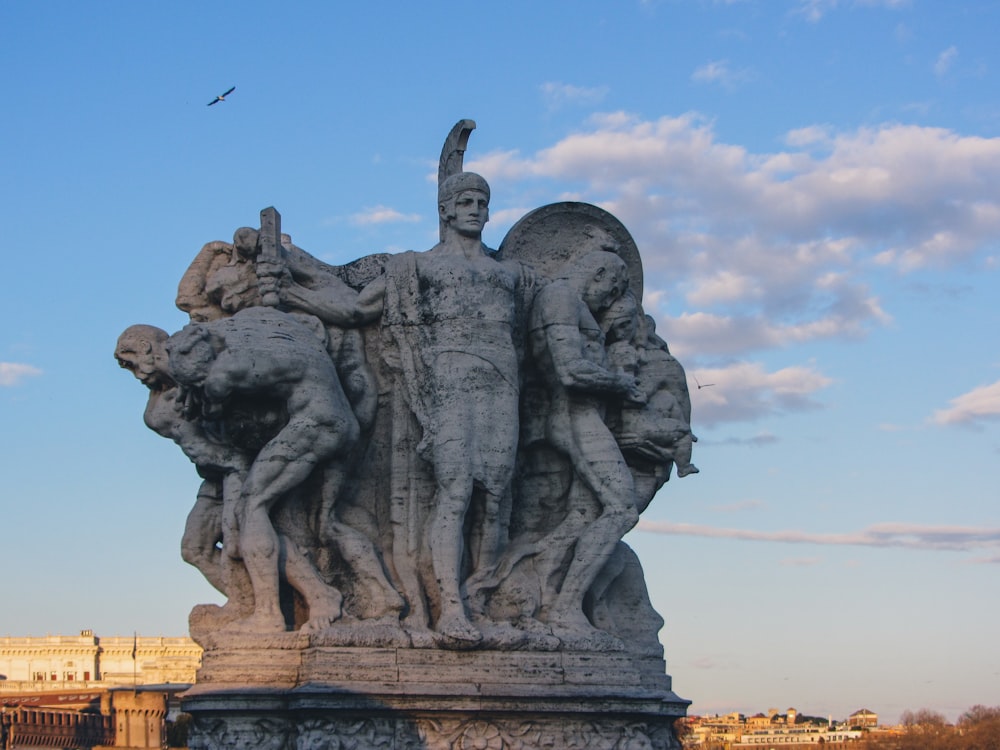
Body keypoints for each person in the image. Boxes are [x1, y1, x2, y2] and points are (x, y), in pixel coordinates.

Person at [273, 171, 534, 643]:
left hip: (502, 387)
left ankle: (482, 599)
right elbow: (355, 309)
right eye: (466, 201)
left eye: (482, 201)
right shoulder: (416, 267)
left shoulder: (511, 274)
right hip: (446, 387)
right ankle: (450, 607)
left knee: (495, 500)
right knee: (455, 494)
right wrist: (291, 292)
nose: (474, 208)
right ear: (446, 211)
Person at [165, 307, 360, 632]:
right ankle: (315, 596)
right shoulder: (251, 321)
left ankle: (271, 614)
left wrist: (196, 390)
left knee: (250, 507)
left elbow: (210, 404)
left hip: (318, 422)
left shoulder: (225, 370)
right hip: (334, 415)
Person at [527, 250, 643, 641]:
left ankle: (542, 587)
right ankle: (564, 608)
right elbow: (568, 368)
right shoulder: (560, 297)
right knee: (622, 507)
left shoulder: (568, 301)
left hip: (583, 415)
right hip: (574, 415)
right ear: (597, 274)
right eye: (609, 293)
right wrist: (618, 382)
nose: (607, 303)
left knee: (582, 516)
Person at [114, 324, 251, 614]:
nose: (137, 375)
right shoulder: (157, 411)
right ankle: (246, 603)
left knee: (242, 544)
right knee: (194, 548)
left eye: (133, 363)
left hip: (244, 469)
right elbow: (204, 451)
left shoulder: (203, 364)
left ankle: (272, 602)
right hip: (220, 477)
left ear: (147, 347)